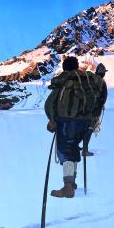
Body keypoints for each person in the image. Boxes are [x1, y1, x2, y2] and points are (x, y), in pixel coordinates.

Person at [44, 56, 104, 198]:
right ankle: (72, 182)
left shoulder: (64, 79)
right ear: (77, 66)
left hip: (67, 122)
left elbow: (50, 102)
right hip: (85, 122)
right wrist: (94, 116)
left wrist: (52, 120)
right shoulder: (88, 79)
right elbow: (101, 91)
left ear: (64, 67)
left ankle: (68, 187)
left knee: (66, 152)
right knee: (74, 149)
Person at [82, 63, 108, 156]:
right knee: (89, 129)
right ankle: (85, 150)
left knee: (81, 128)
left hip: (83, 109)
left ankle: (77, 147)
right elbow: (103, 98)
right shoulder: (102, 82)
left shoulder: (89, 79)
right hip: (94, 111)